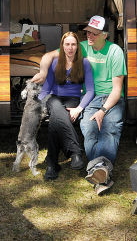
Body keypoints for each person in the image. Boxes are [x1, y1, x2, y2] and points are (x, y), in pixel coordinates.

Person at [33, 15, 126, 194]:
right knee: (88, 128)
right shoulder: (81, 47)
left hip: (111, 99)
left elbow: (117, 89)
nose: (89, 36)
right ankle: (100, 171)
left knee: (110, 129)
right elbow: (48, 56)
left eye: (94, 33)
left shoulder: (115, 52)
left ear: (105, 35)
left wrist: (103, 110)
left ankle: (98, 172)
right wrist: (44, 73)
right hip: (90, 98)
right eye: (87, 32)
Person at [38, 32, 94, 181]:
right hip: (54, 97)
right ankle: (75, 152)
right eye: (67, 44)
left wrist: (79, 108)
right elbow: (46, 88)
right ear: (62, 46)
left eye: (73, 44)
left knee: (55, 123)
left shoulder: (84, 63)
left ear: (77, 46)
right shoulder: (55, 63)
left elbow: (90, 90)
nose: (70, 48)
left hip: (73, 100)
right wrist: (37, 102)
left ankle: (52, 164)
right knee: (56, 108)